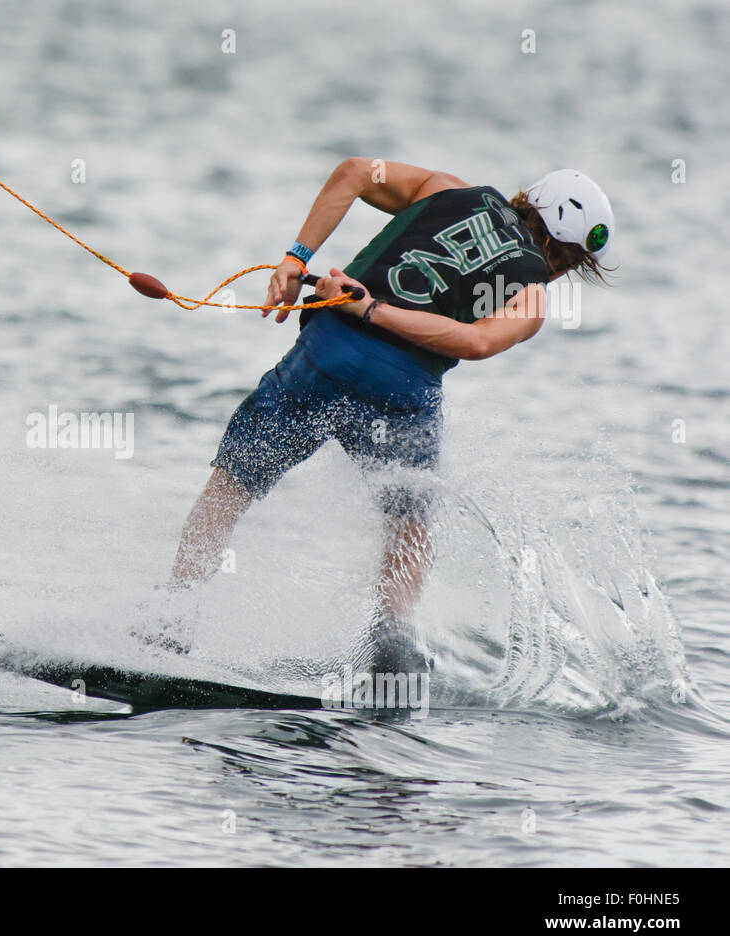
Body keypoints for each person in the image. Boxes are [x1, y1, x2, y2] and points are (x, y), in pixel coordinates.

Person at [155, 160, 615, 672]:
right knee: (411, 524)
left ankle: (173, 618)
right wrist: (375, 311)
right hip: (403, 392)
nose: (563, 271)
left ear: (530, 199)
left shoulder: (445, 190)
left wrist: (295, 259)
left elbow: (354, 172)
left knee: (232, 486)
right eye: (572, 262)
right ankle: (388, 646)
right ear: (563, 255)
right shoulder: (532, 296)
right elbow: (479, 341)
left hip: (325, 356)